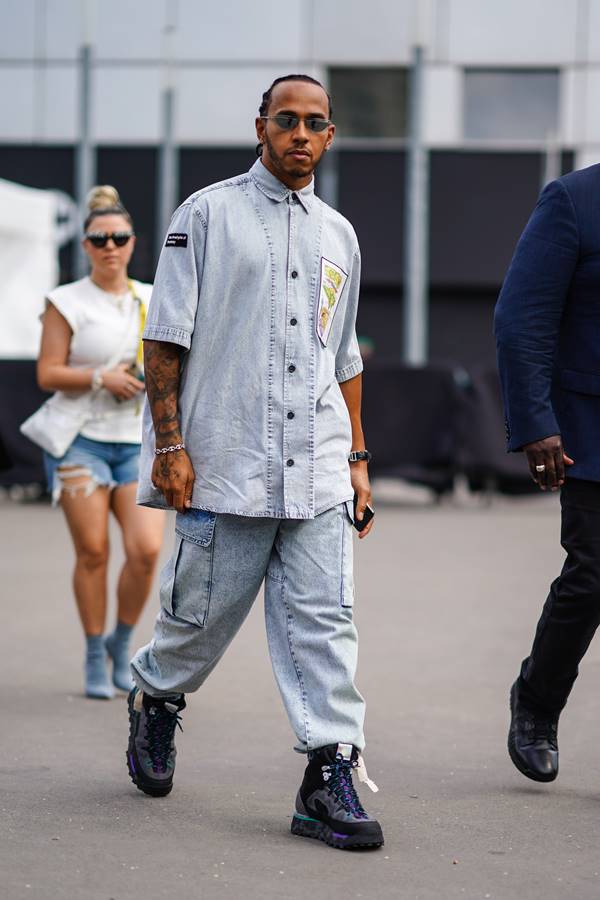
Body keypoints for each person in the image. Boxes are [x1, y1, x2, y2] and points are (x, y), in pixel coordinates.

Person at [125, 74, 384, 851]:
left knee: (325, 622)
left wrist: (360, 460)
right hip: (224, 463)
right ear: (262, 128)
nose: (300, 134)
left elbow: (344, 357)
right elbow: (164, 336)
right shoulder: (206, 215)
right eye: (286, 121)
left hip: (319, 468)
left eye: (315, 124)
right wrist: (171, 446)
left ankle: (328, 772)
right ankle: (158, 698)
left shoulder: (341, 233)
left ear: (330, 136)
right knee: (197, 622)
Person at [35, 186, 165, 699]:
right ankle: (94, 651)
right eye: (99, 238)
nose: (110, 246)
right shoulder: (65, 301)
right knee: (92, 551)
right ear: (85, 245)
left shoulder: (153, 297)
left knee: (146, 550)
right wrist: (99, 379)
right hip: (80, 441)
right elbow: (47, 372)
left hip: (137, 441)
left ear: (133, 242)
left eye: (120, 237)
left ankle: (121, 642)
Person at [495, 162, 600, 782]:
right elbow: (521, 317)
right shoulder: (574, 200)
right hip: (591, 428)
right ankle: (537, 700)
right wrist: (536, 422)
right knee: (593, 577)